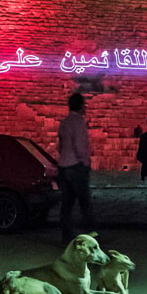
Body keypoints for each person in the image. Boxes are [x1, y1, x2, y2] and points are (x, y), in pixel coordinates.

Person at [57, 92, 93, 245]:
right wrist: (85, 162)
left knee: (67, 204)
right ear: (80, 106)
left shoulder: (64, 122)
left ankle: (66, 237)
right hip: (76, 167)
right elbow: (79, 146)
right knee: (84, 203)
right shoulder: (78, 123)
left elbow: (60, 146)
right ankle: (91, 237)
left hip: (63, 167)